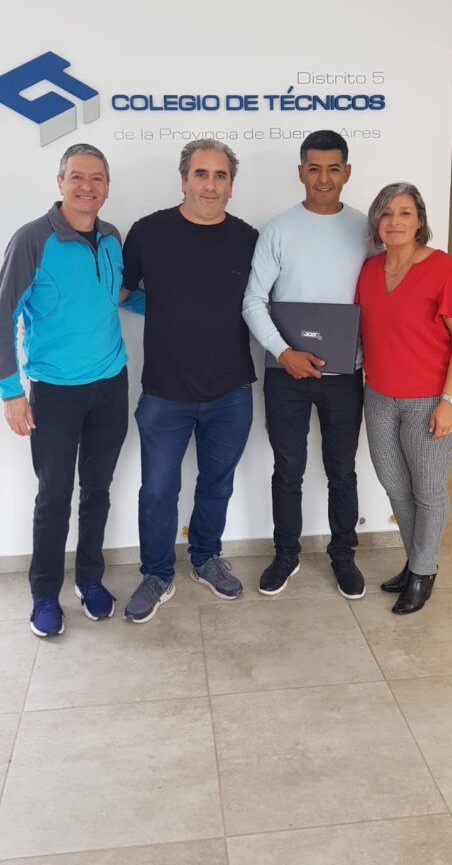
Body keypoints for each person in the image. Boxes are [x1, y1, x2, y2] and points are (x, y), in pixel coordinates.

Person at [122, 139, 257, 623]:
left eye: (220, 176)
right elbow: (121, 292)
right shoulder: (148, 232)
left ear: (231, 186)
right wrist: (163, 307)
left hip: (231, 391)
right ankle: (157, 574)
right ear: (184, 180)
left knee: (217, 483)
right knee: (158, 490)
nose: (210, 185)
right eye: (201, 174)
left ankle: (205, 557)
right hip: (165, 393)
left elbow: (262, 303)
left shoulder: (248, 238)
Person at [0, 143, 128, 637]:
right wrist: (11, 392)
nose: (87, 187)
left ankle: (90, 580)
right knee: (54, 495)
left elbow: (116, 295)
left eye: (97, 178)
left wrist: (181, 301)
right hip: (54, 392)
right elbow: (3, 315)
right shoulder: (32, 240)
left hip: (111, 384)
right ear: (60, 182)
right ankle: (43, 595)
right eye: (77, 177)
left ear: (107, 187)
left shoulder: (112, 237)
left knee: (98, 489)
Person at [243, 129, 371, 599]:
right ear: (300, 172)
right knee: (288, 468)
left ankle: (343, 556)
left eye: (333, 168)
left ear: (347, 172)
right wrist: (284, 352)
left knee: (342, 470)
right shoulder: (278, 229)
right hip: (286, 374)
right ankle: (285, 555)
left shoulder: (367, 230)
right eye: (314, 168)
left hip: (345, 376)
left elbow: (381, 295)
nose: (323, 178)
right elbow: (253, 300)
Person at [356, 183, 452, 614]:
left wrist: (449, 401)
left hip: (431, 400)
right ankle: (416, 562)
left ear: (420, 221)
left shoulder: (445, 270)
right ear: (376, 221)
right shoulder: (369, 270)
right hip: (379, 395)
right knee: (394, 484)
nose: (394, 221)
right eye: (386, 213)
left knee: (427, 489)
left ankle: (423, 573)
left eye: (405, 213)